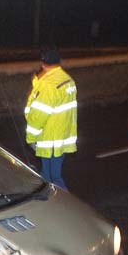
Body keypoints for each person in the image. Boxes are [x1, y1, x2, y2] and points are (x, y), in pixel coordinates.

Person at [24, 46, 77, 189]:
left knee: (53, 178)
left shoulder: (48, 85)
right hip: (61, 137)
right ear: (59, 62)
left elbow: (38, 116)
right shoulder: (68, 80)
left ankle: (65, 206)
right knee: (48, 177)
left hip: (49, 140)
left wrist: (31, 138)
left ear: (42, 63)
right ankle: (51, 203)